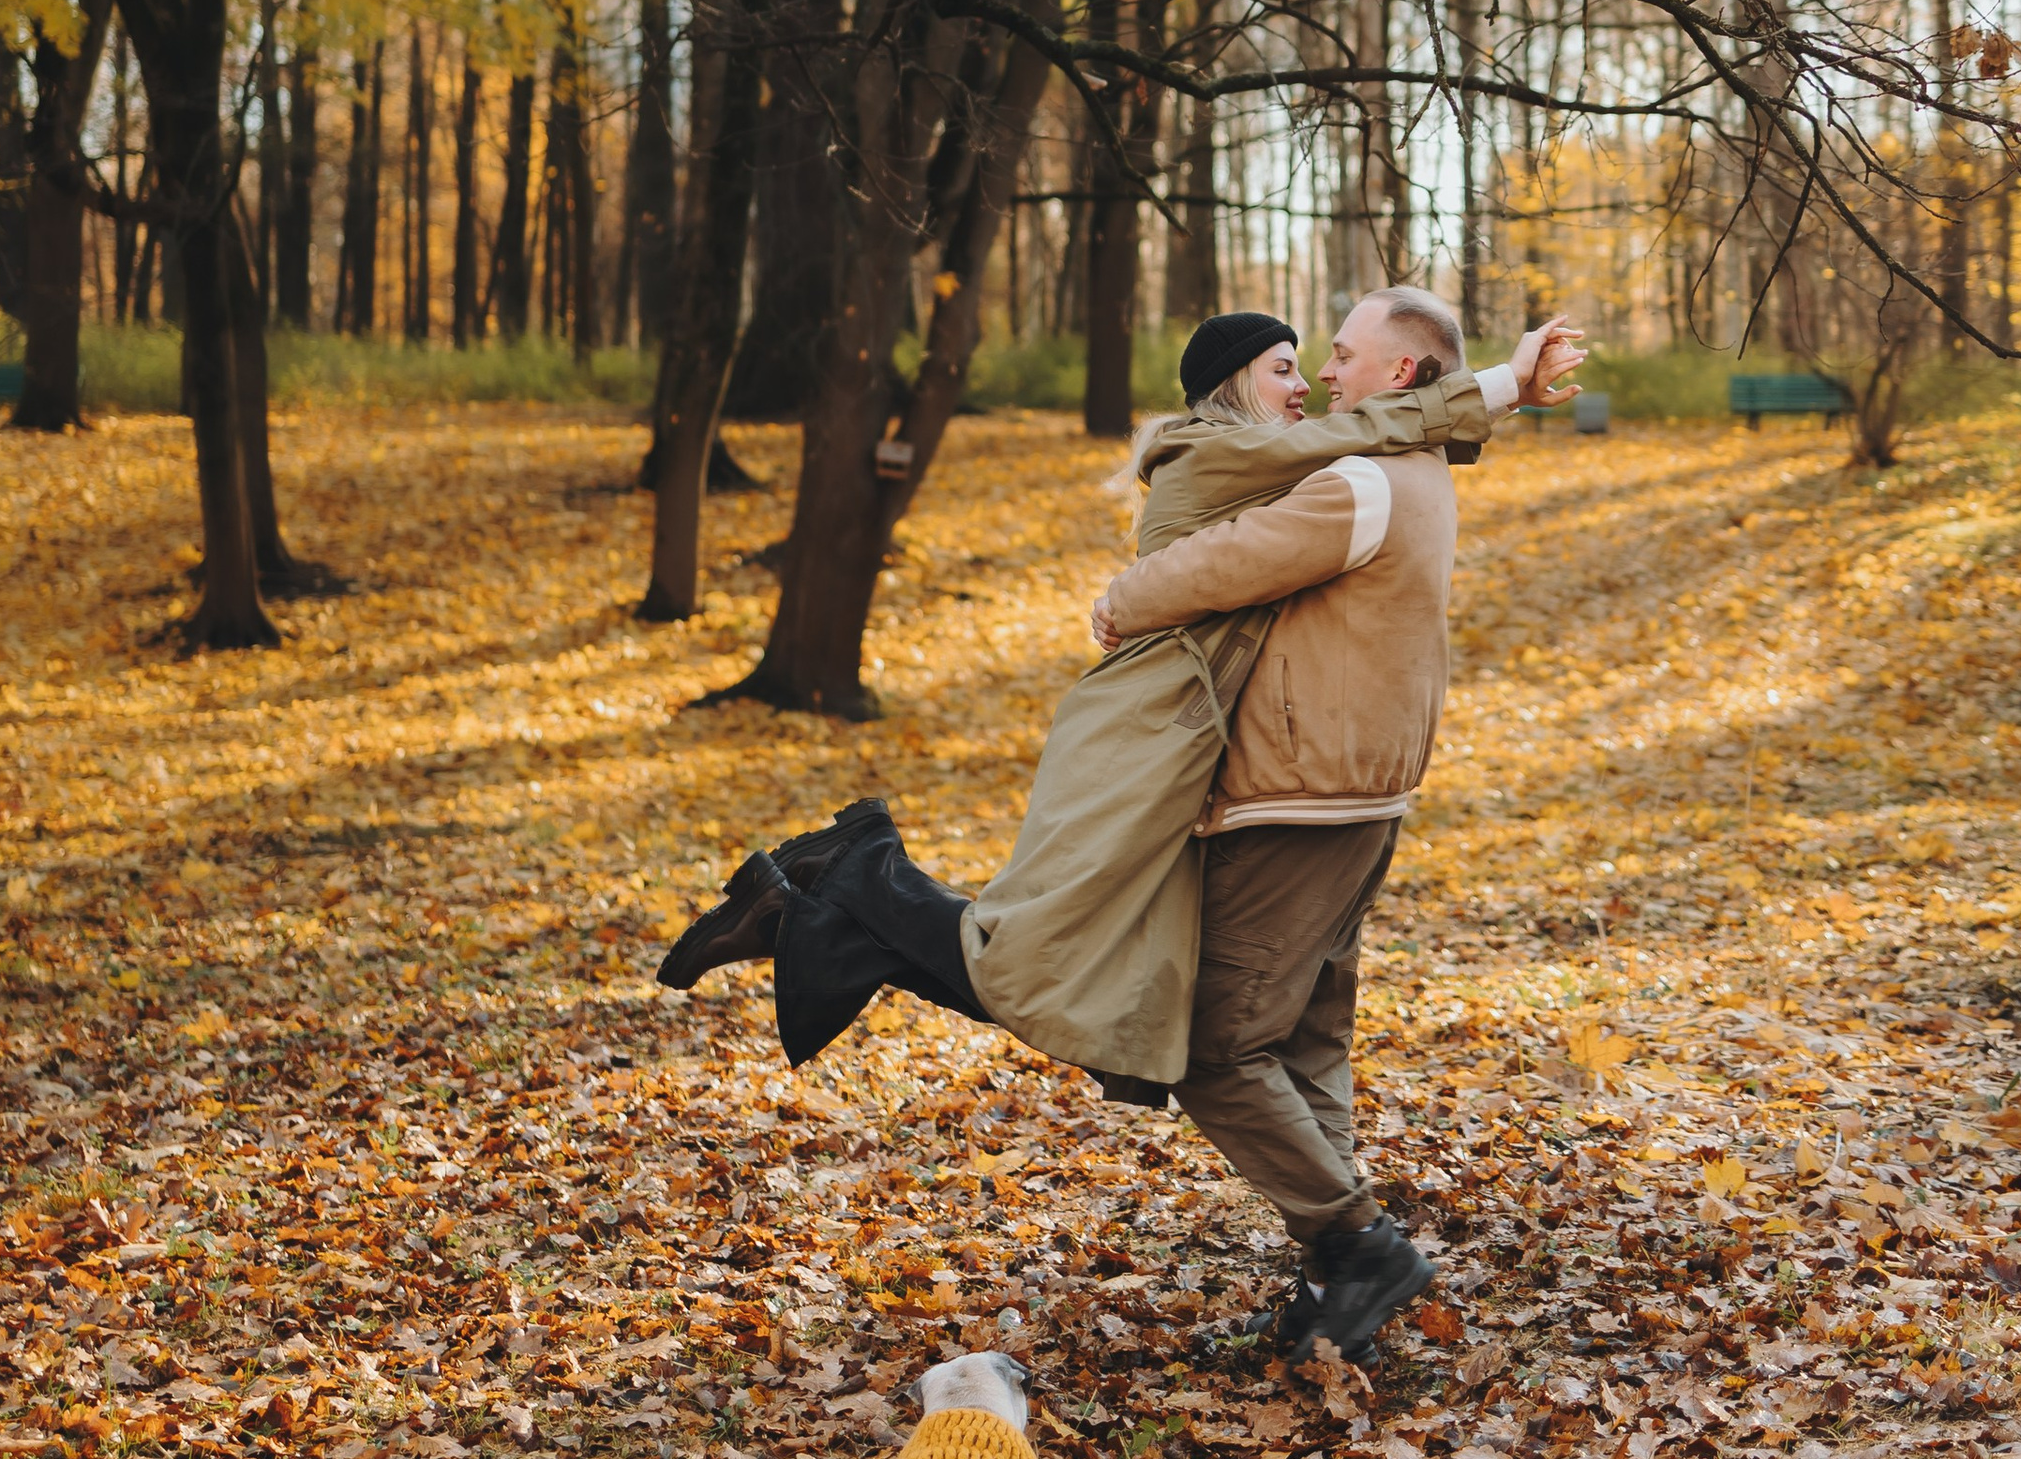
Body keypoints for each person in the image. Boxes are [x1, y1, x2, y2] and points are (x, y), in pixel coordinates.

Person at [659, 301, 1578, 1128]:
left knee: (1093, 969)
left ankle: (814, 908)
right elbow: (1373, 428)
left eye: (1316, 361)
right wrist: (1502, 382)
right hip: (1149, 732)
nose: (1309, 384)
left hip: (1186, 736)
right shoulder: (1229, 449)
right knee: (1054, 959)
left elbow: (1385, 444)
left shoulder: (1272, 457)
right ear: (1234, 386)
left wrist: (1496, 400)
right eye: (1285, 367)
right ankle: (860, 872)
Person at [1083, 285, 1525, 1357]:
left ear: (1401, 375)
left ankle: (1355, 1246)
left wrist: (1119, 602)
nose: (1327, 375)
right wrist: (1511, 383)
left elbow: (1204, 570)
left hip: (1304, 795)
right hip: (1361, 792)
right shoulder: (1410, 468)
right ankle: (1339, 1307)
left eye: (1341, 355)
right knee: (1311, 1038)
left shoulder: (1359, 485)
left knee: (1216, 1046)